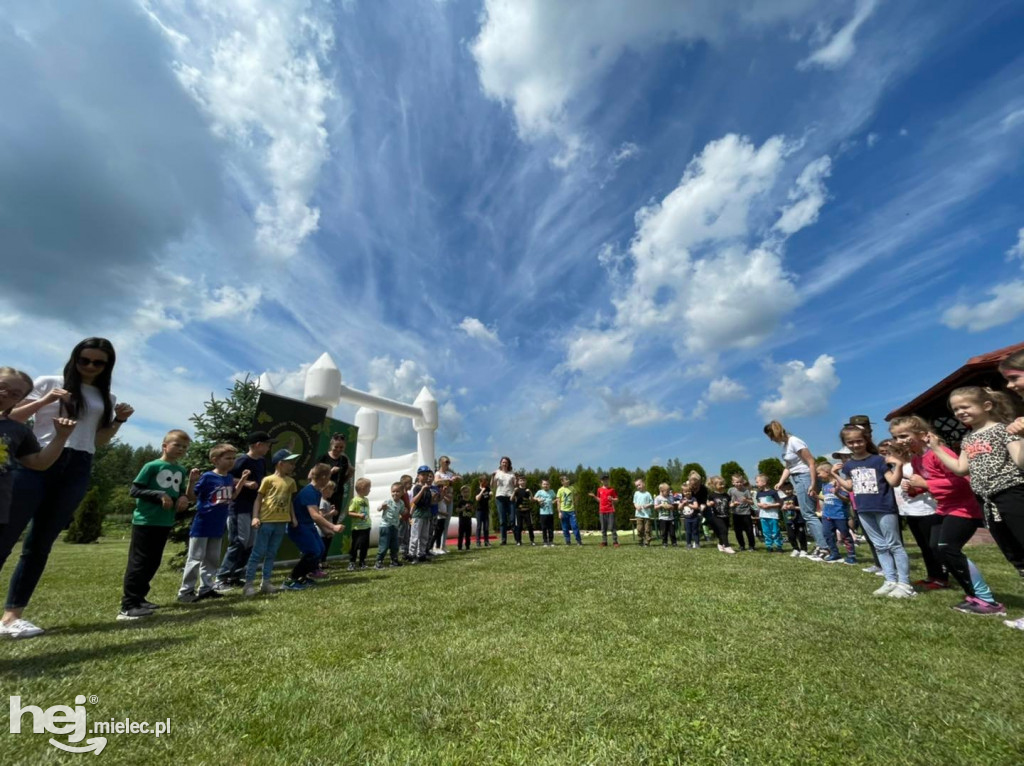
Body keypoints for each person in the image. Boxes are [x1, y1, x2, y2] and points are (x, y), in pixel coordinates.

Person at [0, 338, 135, 638]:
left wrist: (119, 421)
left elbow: (99, 441)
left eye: (98, 362)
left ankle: (12, 616)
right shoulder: (50, 382)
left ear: (106, 366)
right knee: (6, 535)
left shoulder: (106, 398)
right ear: (74, 359)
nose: (89, 367)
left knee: (40, 543)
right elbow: (12, 419)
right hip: (38, 459)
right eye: (84, 360)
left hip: (78, 465)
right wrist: (47, 400)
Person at [924, 387, 1023, 622]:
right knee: (1014, 554)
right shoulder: (968, 438)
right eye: (956, 409)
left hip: (1012, 495)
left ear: (986, 406)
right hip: (987, 501)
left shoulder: (1002, 429)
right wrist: (937, 448)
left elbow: (1020, 461)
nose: (960, 412)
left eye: (965, 407)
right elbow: (960, 468)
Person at [890, 415, 1003, 616]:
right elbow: (929, 484)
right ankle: (974, 595)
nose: (899, 441)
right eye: (895, 437)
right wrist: (916, 489)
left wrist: (925, 485)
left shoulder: (938, 453)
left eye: (903, 436)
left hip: (965, 508)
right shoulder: (917, 459)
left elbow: (962, 481)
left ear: (922, 434)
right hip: (945, 507)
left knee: (947, 548)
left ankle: (986, 600)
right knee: (937, 548)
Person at [119, 430, 195, 620]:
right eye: (177, 445)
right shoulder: (152, 466)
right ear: (164, 446)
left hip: (164, 521)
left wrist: (183, 498)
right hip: (146, 521)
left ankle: (140, 598)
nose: (181, 449)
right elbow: (135, 490)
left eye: (184, 447)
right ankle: (128, 605)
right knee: (139, 562)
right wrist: (158, 495)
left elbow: (177, 492)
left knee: (153, 561)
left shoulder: (181, 470)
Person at [832, 426, 914, 599]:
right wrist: (835, 474)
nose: (855, 445)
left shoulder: (878, 460)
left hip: (884, 507)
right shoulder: (849, 465)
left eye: (859, 440)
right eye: (850, 442)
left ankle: (905, 583)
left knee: (894, 545)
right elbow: (849, 487)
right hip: (863, 508)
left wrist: (898, 465)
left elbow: (893, 482)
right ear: (846, 444)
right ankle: (890, 580)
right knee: (879, 546)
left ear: (866, 440)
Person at [0, 368, 77, 541]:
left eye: (14, 395)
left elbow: (39, 463)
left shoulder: (18, 431)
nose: (5, 394)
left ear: (19, 401)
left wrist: (62, 436)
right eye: (2, 386)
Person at [179, 444, 246, 603]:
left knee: (212, 559)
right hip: (202, 524)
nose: (231, 462)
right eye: (227, 458)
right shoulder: (208, 477)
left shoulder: (228, 478)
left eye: (233, 458)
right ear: (215, 460)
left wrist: (242, 481)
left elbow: (232, 496)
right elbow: (192, 497)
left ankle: (206, 589)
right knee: (195, 559)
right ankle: (186, 592)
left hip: (218, 525)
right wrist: (192, 481)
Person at [880, 437, 945, 585]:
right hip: (909, 511)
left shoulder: (911, 466)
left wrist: (912, 486)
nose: (885, 457)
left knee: (932, 547)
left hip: (925, 510)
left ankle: (942, 578)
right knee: (923, 547)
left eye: (888, 453)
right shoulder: (894, 469)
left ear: (898, 453)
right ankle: (932, 576)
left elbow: (925, 483)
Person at [215, 431, 271, 590]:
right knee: (239, 541)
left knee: (250, 543)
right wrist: (245, 483)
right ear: (258, 445)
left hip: (254, 508)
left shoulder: (261, 461)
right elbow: (226, 476)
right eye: (267, 444)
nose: (269, 447)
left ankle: (235, 575)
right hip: (239, 507)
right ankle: (221, 578)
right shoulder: (241, 460)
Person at [764, 420, 828, 560]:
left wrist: (812, 483)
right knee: (807, 514)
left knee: (808, 514)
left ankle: (825, 547)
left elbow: (811, 462)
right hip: (796, 478)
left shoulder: (795, 441)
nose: (771, 440)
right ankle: (821, 545)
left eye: (771, 436)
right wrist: (781, 482)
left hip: (805, 477)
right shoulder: (786, 446)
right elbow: (788, 467)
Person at [244, 449, 300, 596]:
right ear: (280, 464)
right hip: (266, 521)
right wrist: (255, 517)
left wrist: (292, 517)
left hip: (281, 522)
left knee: (272, 553)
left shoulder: (291, 482)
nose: (293, 466)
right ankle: (248, 584)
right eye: (290, 463)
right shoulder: (268, 480)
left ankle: (266, 582)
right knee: (258, 553)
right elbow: (258, 499)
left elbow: (289, 502)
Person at [285, 463, 342, 589]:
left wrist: (324, 530)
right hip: (299, 527)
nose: (329, 480)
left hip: (308, 526)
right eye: (328, 477)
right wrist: (332, 527)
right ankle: (290, 580)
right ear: (323, 477)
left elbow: (315, 517)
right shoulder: (309, 492)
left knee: (320, 549)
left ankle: (303, 577)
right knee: (313, 551)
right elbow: (315, 515)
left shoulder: (317, 492)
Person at [317, 433, 353, 565]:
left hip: (337, 496)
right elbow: (312, 476)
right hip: (322, 496)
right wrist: (330, 472)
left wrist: (347, 478)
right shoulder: (323, 458)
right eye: (336, 447)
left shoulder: (343, 460)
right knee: (321, 525)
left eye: (341, 447)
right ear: (331, 445)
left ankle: (323, 559)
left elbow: (348, 474)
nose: (338, 450)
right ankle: (316, 558)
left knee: (332, 528)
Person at [815, 463, 855, 564]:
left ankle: (851, 555)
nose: (818, 475)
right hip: (827, 515)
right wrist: (816, 496)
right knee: (827, 534)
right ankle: (834, 553)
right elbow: (827, 498)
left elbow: (847, 500)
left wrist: (837, 493)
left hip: (840, 515)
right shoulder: (824, 485)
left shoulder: (840, 484)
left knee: (845, 535)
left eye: (819, 473)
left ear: (827, 472)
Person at [432, 456, 460, 554]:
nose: (448, 464)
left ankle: (443, 545)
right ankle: (436, 545)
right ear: (441, 463)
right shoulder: (438, 473)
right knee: (440, 523)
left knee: (447, 523)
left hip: (450, 498)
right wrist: (449, 481)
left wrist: (455, 479)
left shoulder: (449, 473)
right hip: (441, 499)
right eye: (446, 462)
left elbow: (458, 479)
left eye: (449, 462)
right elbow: (436, 481)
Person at [375, 482, 405, 568]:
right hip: (385, 526)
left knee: (395, 545)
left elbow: (402, 511)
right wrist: (382, 507)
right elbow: (378, 509)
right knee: (384, 545)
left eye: (398, 491)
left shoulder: (401, 503)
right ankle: (379, 561)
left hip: (395, 526)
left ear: (402, 492)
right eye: (393, 491)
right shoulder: (388, 501)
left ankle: (394, 561)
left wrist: (405, 512)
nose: (395, 493)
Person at [408, 466, 435, 563]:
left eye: (427, 475)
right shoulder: (417, 487)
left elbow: (430, 502)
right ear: (418, 476)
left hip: (426, 514)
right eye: (423, 475)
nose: (425, 477)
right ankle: (412, 554)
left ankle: (421, 554)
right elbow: (413, 501)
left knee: (424, 536)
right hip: (418, 514)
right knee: (415, 536)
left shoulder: (427, 488)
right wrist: (422, 490)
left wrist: (436, 496)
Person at [347, 477, 373, 570]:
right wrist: (359, 515)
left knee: (365, 546)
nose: (370, 490)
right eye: (368, 488)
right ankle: (352, 562)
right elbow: (349, 512)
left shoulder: (366, 500)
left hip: (366, 527)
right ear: (362, 488)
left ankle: (362, 562)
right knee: (355, 545)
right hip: (357, 528)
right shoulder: (355, 500)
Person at [754, 474, 784, 552]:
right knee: (766, 532)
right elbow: (758, 503)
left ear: (764, 482)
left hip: (773, 516)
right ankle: (769, 546)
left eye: (757, 482)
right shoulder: (759, 493)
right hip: (763, 516)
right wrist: (761, 505)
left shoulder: (773, 493)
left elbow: (779, 503)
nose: (756, 484)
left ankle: (778, 546)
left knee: (775, 531)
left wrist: (770, 506)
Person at [705, 476, 735, 554]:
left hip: (726, 516)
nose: (723, 486)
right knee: (723, 530)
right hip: (716, 517)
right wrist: (709, 504)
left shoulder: (727, 495)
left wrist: (733, 504)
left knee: (725, 532)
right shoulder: (712, 495)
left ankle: (720, 544)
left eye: (723, 484)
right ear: (714, 486)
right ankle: (727, 546)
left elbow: (729, 504)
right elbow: (707, 503)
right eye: (720, 484)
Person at [589, 474, 619, 548]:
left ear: (608, 480)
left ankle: (615, 541)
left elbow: (617, 499)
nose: (605, 481)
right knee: (603, 527)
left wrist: (612, 499)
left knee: (612, 527)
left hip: (610, 510)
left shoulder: (612, 489)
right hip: (602, 510)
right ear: (601, 481)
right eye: (603, 479)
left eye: (606, 479)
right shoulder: (599, 490)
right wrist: (594, 497)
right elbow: (599, 500)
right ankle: (604, 541)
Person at [492, 457, 517, 545]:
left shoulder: (512, 473)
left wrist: (516, 479)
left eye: (506, 462)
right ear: (500, 463)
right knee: (502, 520)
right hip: (500, 496)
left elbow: (515, 485)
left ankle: (517, 539)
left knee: (512, 519)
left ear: (509, 463)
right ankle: (503, 540)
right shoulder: (497, 473)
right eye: (503, 462)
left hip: (510, 497)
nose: (504, 464)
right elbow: (493, 485)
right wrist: (493, 477)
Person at [728, 475, 756, 551]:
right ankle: (741, 545)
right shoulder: (731, 490)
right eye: (737, 482)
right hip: (736, 513)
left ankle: (751, 546)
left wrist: (746, 500)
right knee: (738, 531)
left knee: (749, 530)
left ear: (743, 482)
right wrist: (732, 504)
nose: (739, 484)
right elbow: (728, 501)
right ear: (733, 482)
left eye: (740, 482)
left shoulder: (746, 491)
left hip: (746, 513)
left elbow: (752, 502)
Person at [556, 475, 581, 546]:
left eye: (568, 479)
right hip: (563, 511)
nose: (568, 480)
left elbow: (576, 496)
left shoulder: (572, 488)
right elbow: (558, 501)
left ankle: (578, 541)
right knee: (565, 527)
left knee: (575, 526)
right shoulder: (560, 490)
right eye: (566, 479)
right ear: (562, 482)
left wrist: (575, 506)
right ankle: (567, 541)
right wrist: (559, 512)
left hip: (571, 511)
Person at [512, 475, 535, 546]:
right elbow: (511, 499)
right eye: (521, 480)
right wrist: (514, 492)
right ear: (518, 482)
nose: (522, 482)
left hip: (527, 511)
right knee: (519, 526)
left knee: (529, 526)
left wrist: (530, 492)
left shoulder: (527, 490)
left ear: (526, 481)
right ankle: (518, 541)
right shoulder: (516, 490)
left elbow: (532, 500)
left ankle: (532, 540)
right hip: (518, 511)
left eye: (524, 480)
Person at [535, 479, 557, 547]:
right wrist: (538, 499)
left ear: (549, 485)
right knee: (544, 528)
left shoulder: (552, 491)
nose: (546, 485)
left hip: (550, 513)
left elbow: (557, 498)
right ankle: (545, 541)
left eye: (547, 484)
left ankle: (551, 541)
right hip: (543, 513)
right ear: (541, 485)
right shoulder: (540, 492)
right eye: (544, 484)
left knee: (551, 528)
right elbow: (534, 497)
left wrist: (554, 501)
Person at [633, 479, 653, 548]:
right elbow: (634, 502)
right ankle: (640, 541)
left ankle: (647, 541)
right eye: (636, 486)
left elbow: (651, 503)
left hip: (646, 514)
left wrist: (647, 505)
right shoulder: (636, 493)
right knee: (639, 528)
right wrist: (636, 507)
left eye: (639, 485)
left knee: (647, 529)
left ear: (643, 484)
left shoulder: (648, 493)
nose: (638, 487)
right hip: (639, 514)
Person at [455, 485, 474, 551]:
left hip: (468, 520)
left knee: (468, 534)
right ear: (462, 493)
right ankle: (459, 547)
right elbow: (457, 510)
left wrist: (471, 508)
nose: (466, 493)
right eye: (464, 492)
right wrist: (464, 508)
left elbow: (473, 510)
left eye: (467, 492)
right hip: (462, 521)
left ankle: (467, 546)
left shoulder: (471, 501)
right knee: (461, 534)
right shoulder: (460, 501)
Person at [398, 474, 413, 558]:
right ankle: (397, 551)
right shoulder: (402, 493)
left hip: (406, 518)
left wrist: (409, 514)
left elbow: (407, 505)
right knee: (400, 535)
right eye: (410, 483)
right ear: (405, 483)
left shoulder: (406, 493)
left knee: (406, 535)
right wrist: (399, 514)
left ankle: (405, 552)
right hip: (401, 518)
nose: (411, 485)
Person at [475, 475, 492, 548]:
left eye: (486, 482)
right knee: (479, 526)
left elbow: (489, 498)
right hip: (479, 510)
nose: (486, 483)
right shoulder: (477, 490)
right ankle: (478, 541)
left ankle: (486, 541)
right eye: (484, 482)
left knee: (486, 527)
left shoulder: (488, 488)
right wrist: (482, 491)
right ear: (480, 482)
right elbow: (477, 499)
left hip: (486, 510)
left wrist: (491, 495)